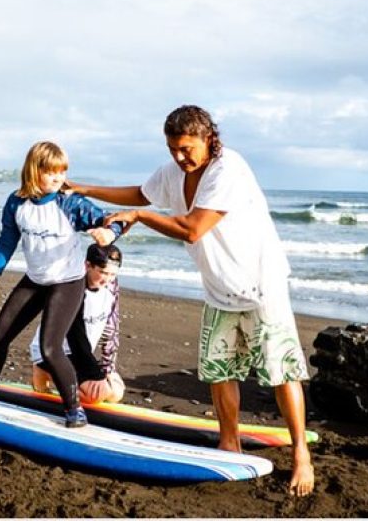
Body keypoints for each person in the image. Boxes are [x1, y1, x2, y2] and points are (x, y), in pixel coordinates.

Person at [67, 105, 315, 496]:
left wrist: (140, 218)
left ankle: (301, 452)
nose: (180, 157)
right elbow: (140, 193)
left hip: (260, 284)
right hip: (219, 288)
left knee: (281, 371)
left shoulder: (227, 170)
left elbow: (192, 229)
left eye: (186, 148)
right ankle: (228, 442)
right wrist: (84, 189)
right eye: (172, 149)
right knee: (219, 371)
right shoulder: (173, 173)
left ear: (209, 138)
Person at [0, 141, 122, 429]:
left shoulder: (68, 202)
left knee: (50, 348)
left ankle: (74, 409)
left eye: (62, 172)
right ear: (34, 170)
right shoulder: (17, 203)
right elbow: (7, 241)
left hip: (67, 282)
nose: (58, 178)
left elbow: (109, 219)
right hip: (37, 279)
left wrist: (109, 231)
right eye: (51, 172)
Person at [29, 243, 125, 404]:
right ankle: (42, 370)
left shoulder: (111, 288)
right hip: (54, 351)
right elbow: (75, 336)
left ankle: (67, 382)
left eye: (112, 274)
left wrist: (108, 367)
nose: (107, 279)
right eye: (102, 272)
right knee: (96, 396)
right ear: (87, 265)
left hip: (81, 353)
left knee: (115, 393)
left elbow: (111, 329)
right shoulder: (71, 288)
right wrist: (96, 374)